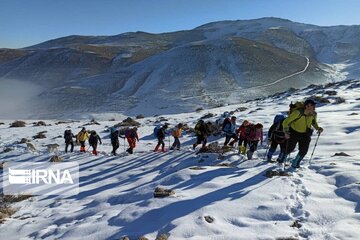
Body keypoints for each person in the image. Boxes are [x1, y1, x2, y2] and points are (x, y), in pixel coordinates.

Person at [282, 99, 324, 168]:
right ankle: (282, 160)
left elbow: (313, 122)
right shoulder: (298, 113)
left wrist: (318, 128)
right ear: (307, 106)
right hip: (294, 132)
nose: (314, 107)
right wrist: (286, 132)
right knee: (290, 148)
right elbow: (285, 122)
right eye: (313, 105)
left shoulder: (314, 114)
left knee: (304, 150)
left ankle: (295, 163)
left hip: (305, 134)